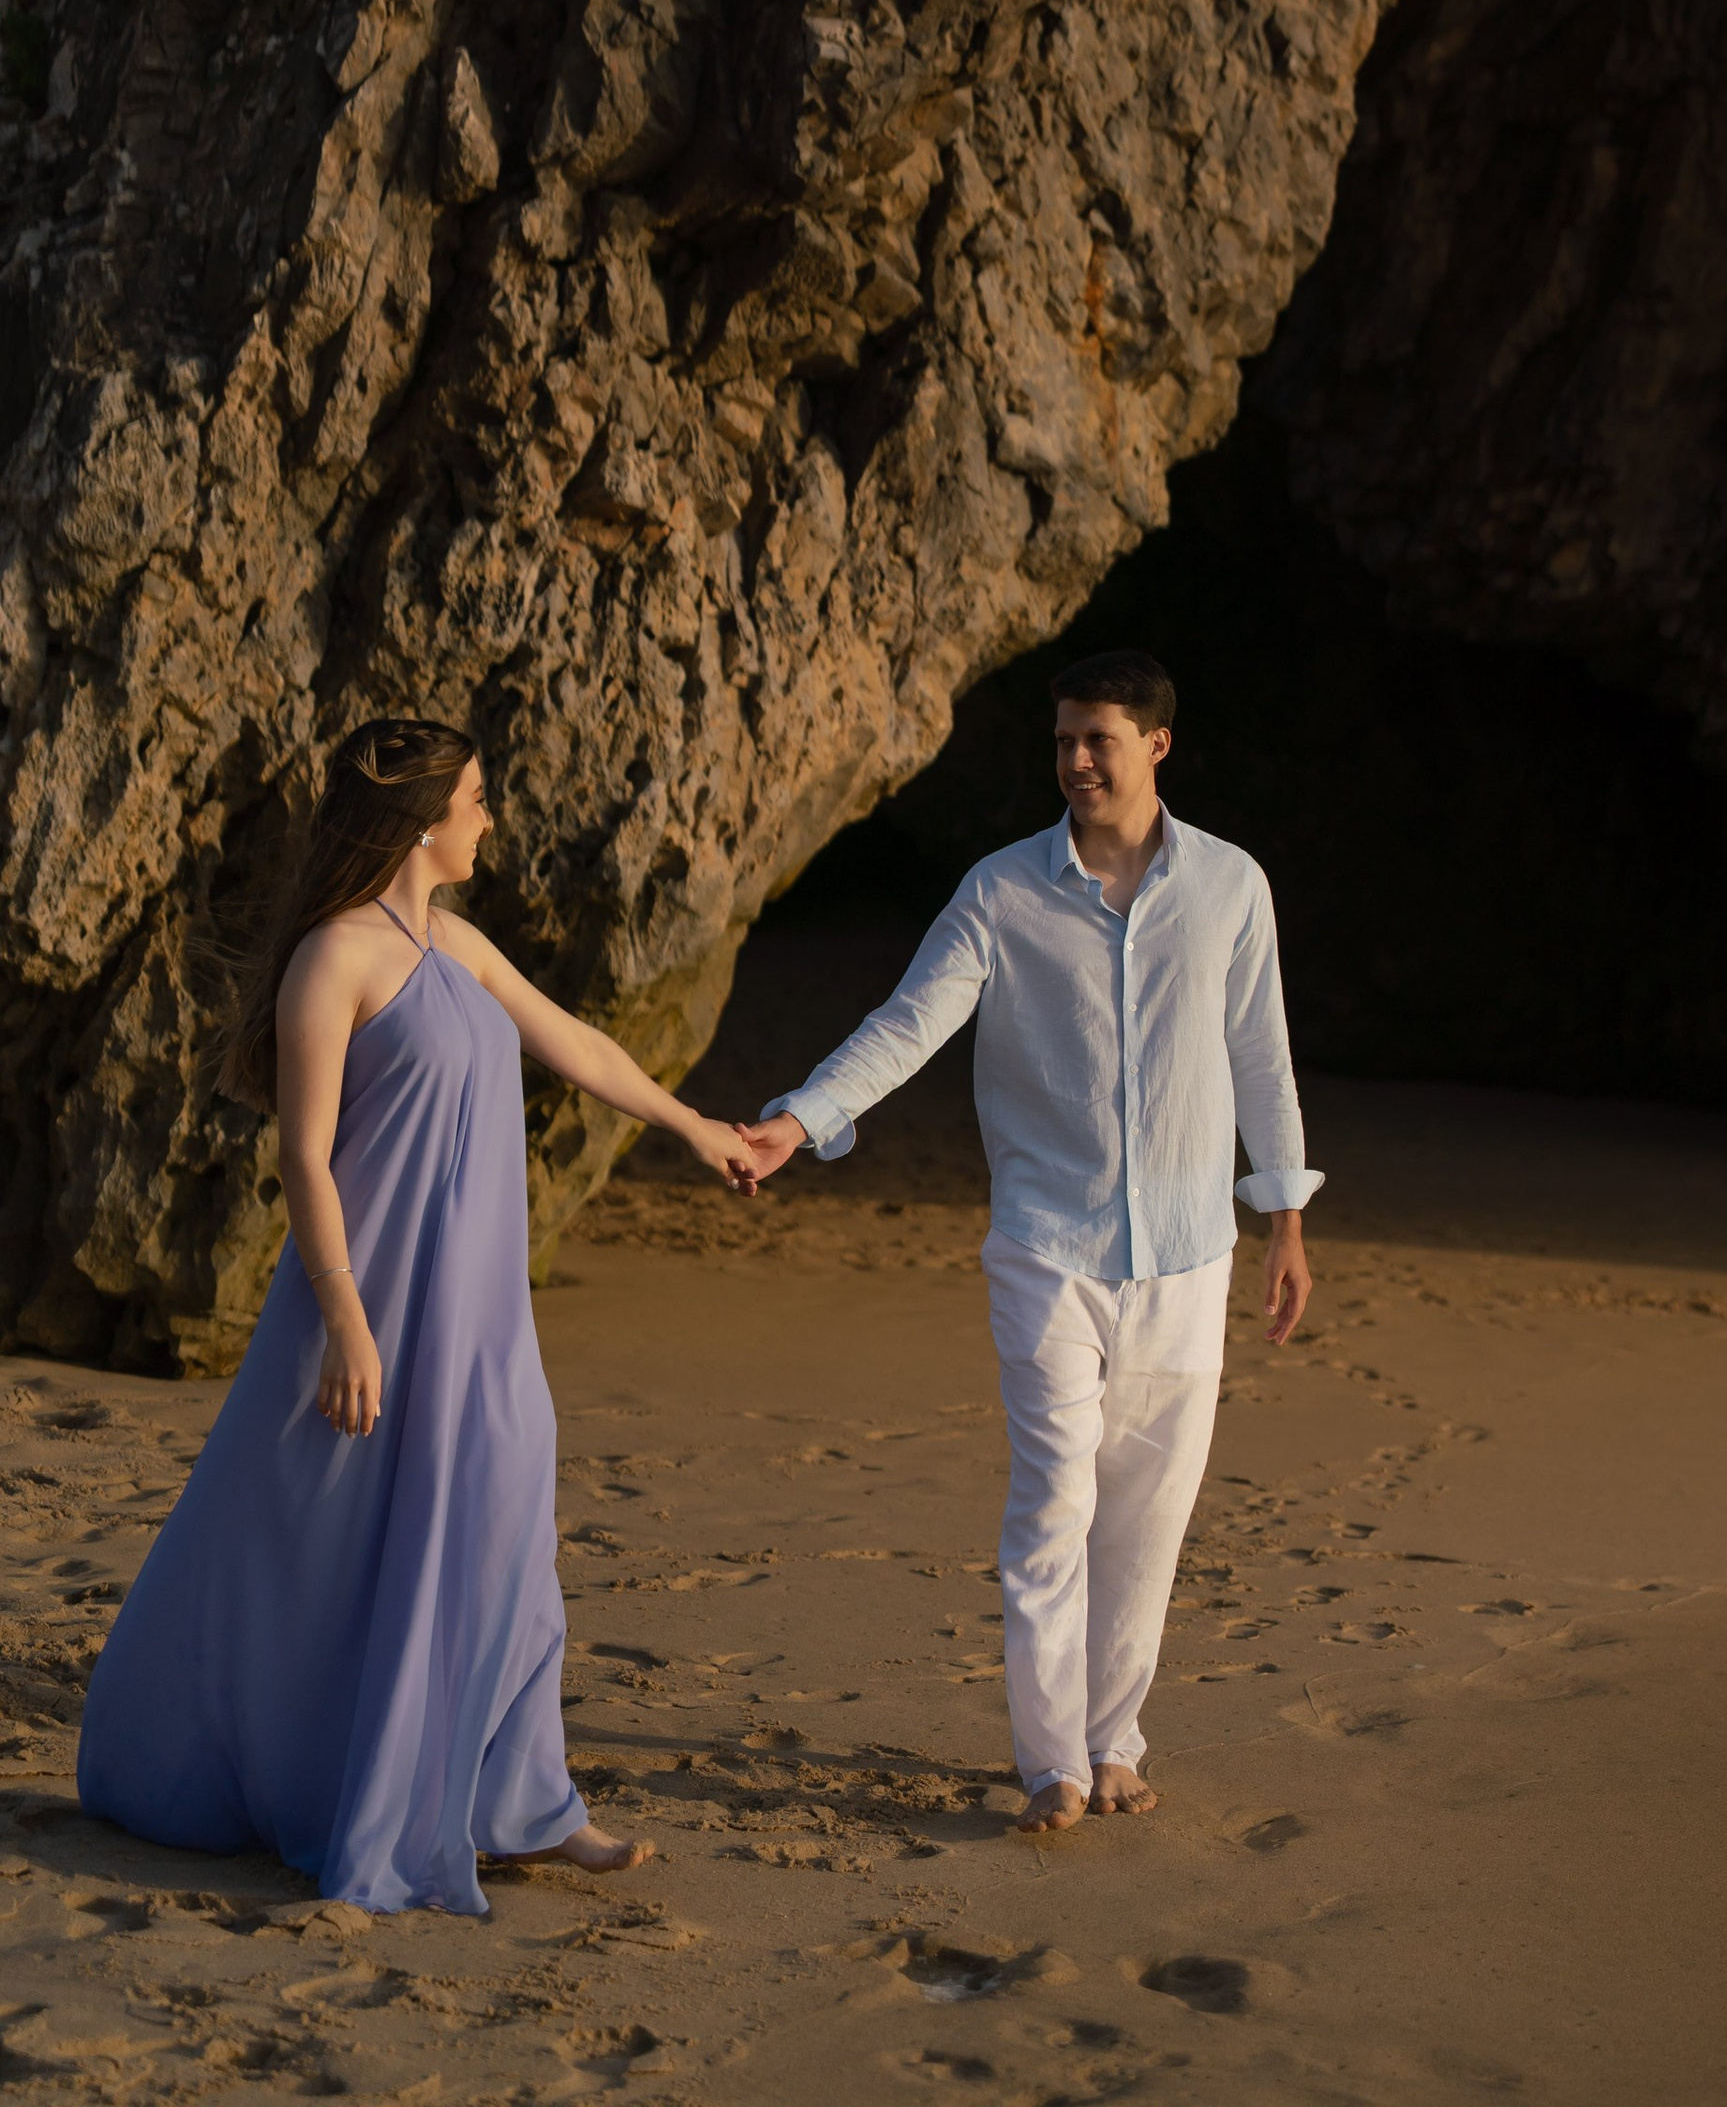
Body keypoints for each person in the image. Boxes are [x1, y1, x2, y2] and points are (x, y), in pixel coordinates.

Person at [77, 719, 760, 1915]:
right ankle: (315, 1777)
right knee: (311, 1540)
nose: (490, 816)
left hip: (481, 1307)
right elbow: (303, 1151)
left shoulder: (457, 942)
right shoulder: (332, 959)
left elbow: (579, 1043)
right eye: (479, 798)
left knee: (502, 1503)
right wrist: (344, 1316)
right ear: (423, 820)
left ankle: (529, 1804)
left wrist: (694, 1126)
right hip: (371, 1301)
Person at [737, 648, 1321, 1834]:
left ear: (1158, 745)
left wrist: (1285, 1220)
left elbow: (1261, 1052)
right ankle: (1052, 1756)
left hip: (1190, 1251)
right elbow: (909, 1023)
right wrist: (798, 1121)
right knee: (1056, 1494)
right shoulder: (1002, 892)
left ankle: (1115, 1739)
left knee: (1150, 1511)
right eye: (1062, 740)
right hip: (1046, 1244)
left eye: (1098, 739)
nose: (1075, 761)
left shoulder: (1229, 886)